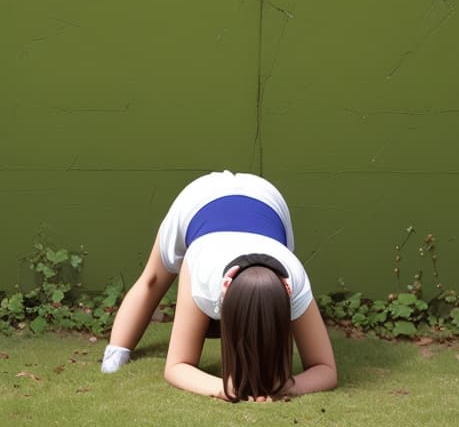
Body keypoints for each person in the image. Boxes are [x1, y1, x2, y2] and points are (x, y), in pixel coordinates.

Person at [101, 170, 337, 402]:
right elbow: (176, 365)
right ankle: (115, 353)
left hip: (267, 200)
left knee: (260, 313)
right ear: (222, 291)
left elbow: (326, 369)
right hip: (197, 201)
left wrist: (285, 385)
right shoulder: (200, 269)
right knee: (153, 279)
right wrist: (223, 388)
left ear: (287, 291)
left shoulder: (294, 277)